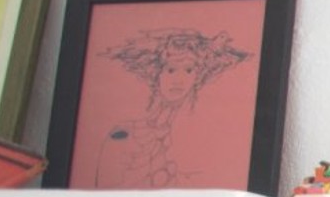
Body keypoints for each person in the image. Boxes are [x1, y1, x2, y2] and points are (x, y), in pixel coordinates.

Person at [93, 28, 249, 187]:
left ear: (197, 76)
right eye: (171, 70)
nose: (178, 79)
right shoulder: (124, 134)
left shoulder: (207, 135)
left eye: (188, 70)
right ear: (157, 73)